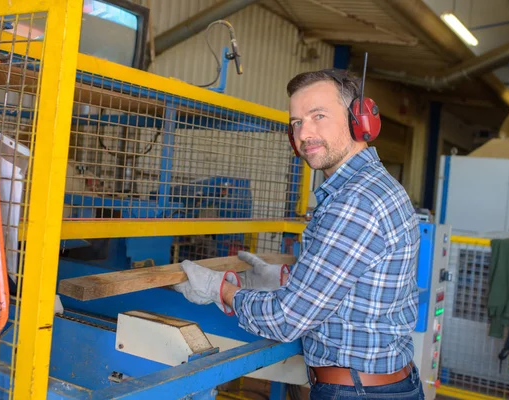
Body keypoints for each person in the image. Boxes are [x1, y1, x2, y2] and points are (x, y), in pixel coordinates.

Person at [174, 68, 424, 400]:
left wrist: (220, 291)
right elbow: (350, 286)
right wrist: (286, 278)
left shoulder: (355, 202)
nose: (304, 133)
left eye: (318, 115)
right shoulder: (369, 187)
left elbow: (286, 320)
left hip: (357, 392)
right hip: (379, 384)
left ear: (358, 120)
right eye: (296, 123)